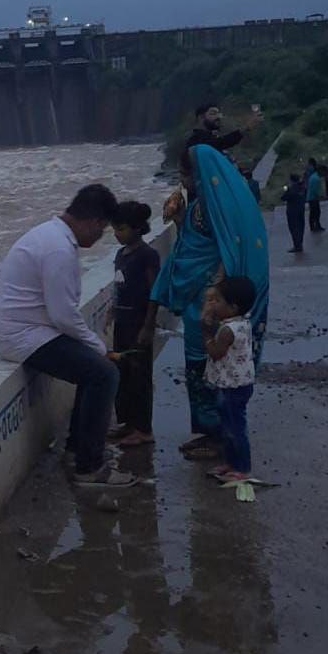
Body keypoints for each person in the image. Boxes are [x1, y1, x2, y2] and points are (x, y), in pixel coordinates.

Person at [0, 184, 136, 487]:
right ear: (93, 222)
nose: (99, 238)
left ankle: (76, 450)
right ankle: (89, 467)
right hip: (24, 335)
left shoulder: (51, 236)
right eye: (102, 230)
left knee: (93, 370)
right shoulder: (58, 249)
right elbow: (63, 315)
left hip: (29, 329)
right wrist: (97, 344)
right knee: (104, 374)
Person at [140, 145, 270, 462]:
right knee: (198, 370)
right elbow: (194, 239)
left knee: (210, 368)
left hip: (207, 298)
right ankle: (209, 432)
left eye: (186, 174)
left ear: (201, 175)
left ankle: (221, 438)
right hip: (195, 298)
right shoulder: (200, 203)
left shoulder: (218, 207)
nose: (183, 181)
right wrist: (179, 218)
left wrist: (214, 294)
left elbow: (227, 247)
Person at [105, 201, 160, 449]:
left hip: (139, 324)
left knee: (140, 377)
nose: (117, 234)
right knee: (124, 374)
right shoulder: (120, 254)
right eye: (115, 229)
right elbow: (119, 286)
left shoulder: (147, 256)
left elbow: (154, 293)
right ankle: (128, 422)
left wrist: (148, 327)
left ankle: (144, 428)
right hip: (123, 323)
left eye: (122, 229)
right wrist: (111, 310)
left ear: (138, 228)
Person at [201, 276, 259, 483]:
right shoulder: (240, 322)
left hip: (232, 387)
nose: (213, 304)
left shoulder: (227, 330)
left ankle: (242, 468)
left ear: (233, 307)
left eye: (217, 301)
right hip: (236, 384)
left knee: (234, 428)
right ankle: (231, 463)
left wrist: (206, 333)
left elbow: (216, 352)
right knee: (228, 426)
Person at [282, 174, 306, 253]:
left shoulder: (291, 188)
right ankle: (300, 244)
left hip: (292, 211)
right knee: (300, 227)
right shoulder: (302, 187)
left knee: (294, 228)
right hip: (301, 209)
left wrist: (286, 190)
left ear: (291, 180)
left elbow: (284, 197)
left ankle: (297, 246)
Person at [306, 159, 324, 232]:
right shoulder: (316, 178)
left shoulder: (313, 175)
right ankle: (315, 226)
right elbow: (315, 190)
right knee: (315, 212)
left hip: (311, 197)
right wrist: (321, 196)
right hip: (313, 198)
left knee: (314, 212)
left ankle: (314, 226)